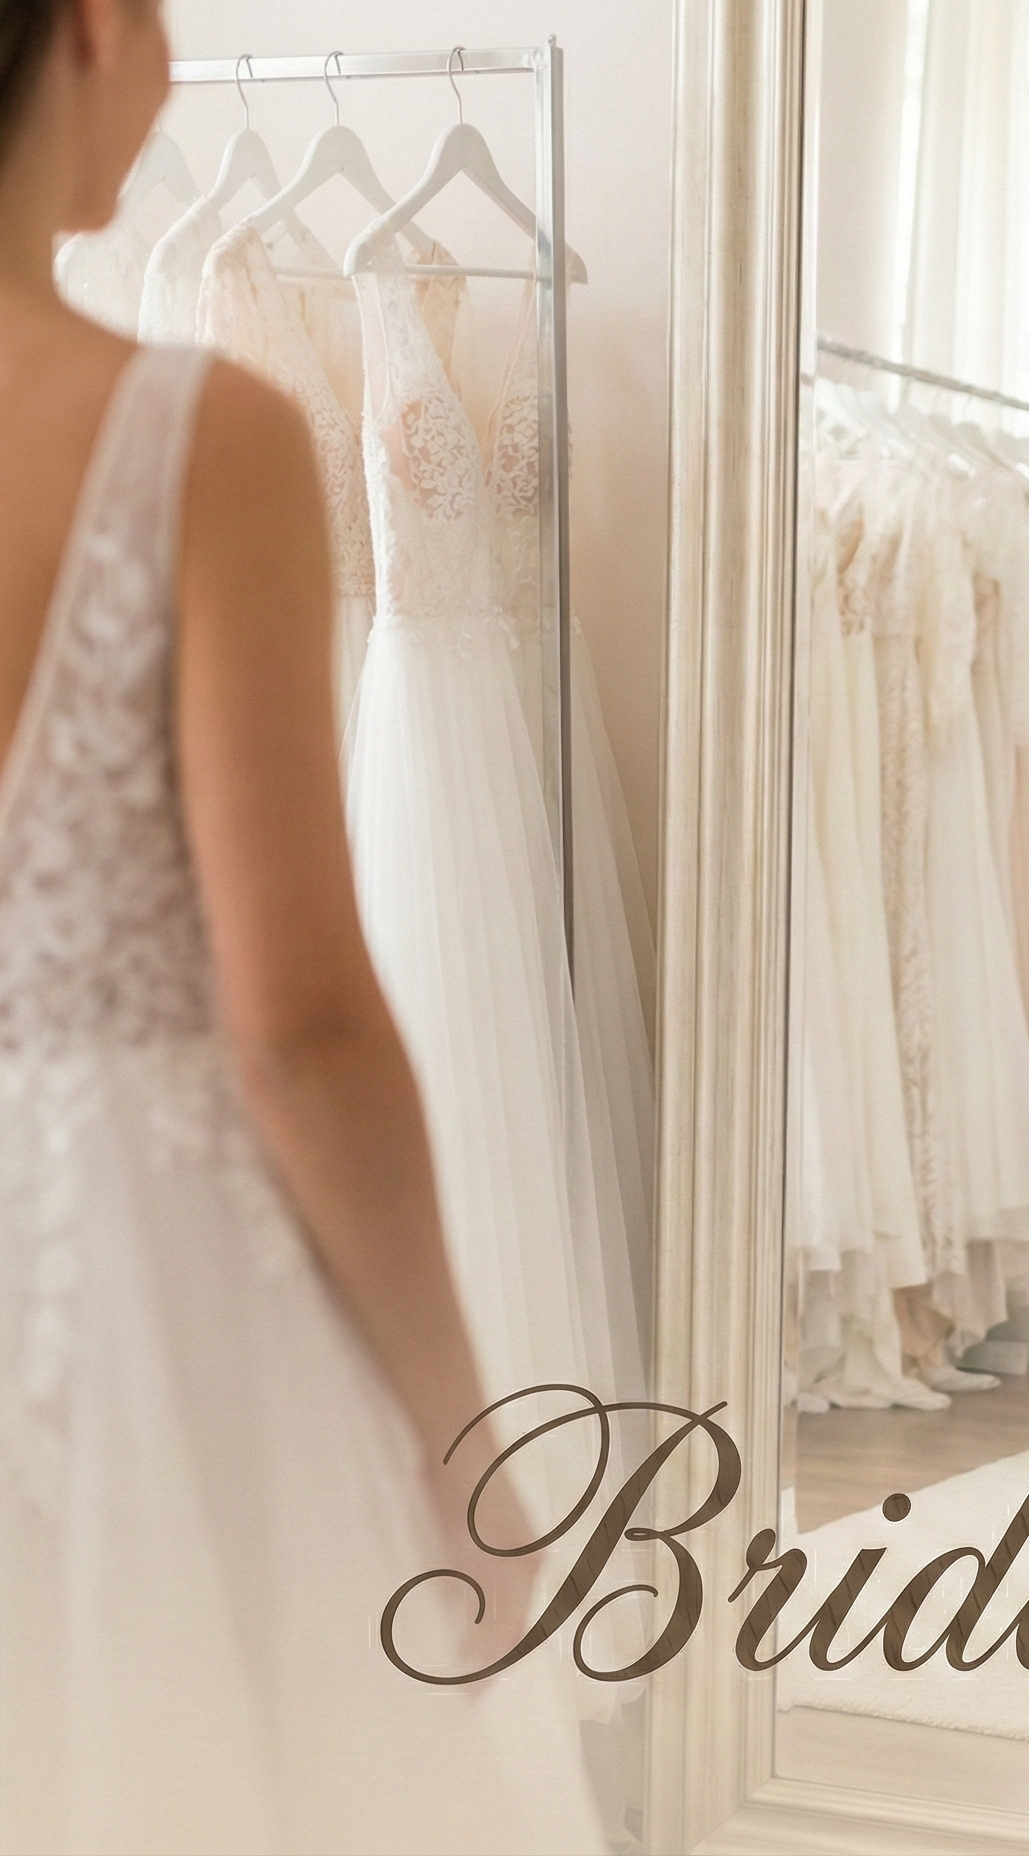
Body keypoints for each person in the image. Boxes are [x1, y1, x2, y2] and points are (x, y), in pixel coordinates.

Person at [0, 3, 603, 1848]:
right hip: (116, 1298)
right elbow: (299, 1025)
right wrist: (455, 1431)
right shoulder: (190, 433)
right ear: (96, 25)